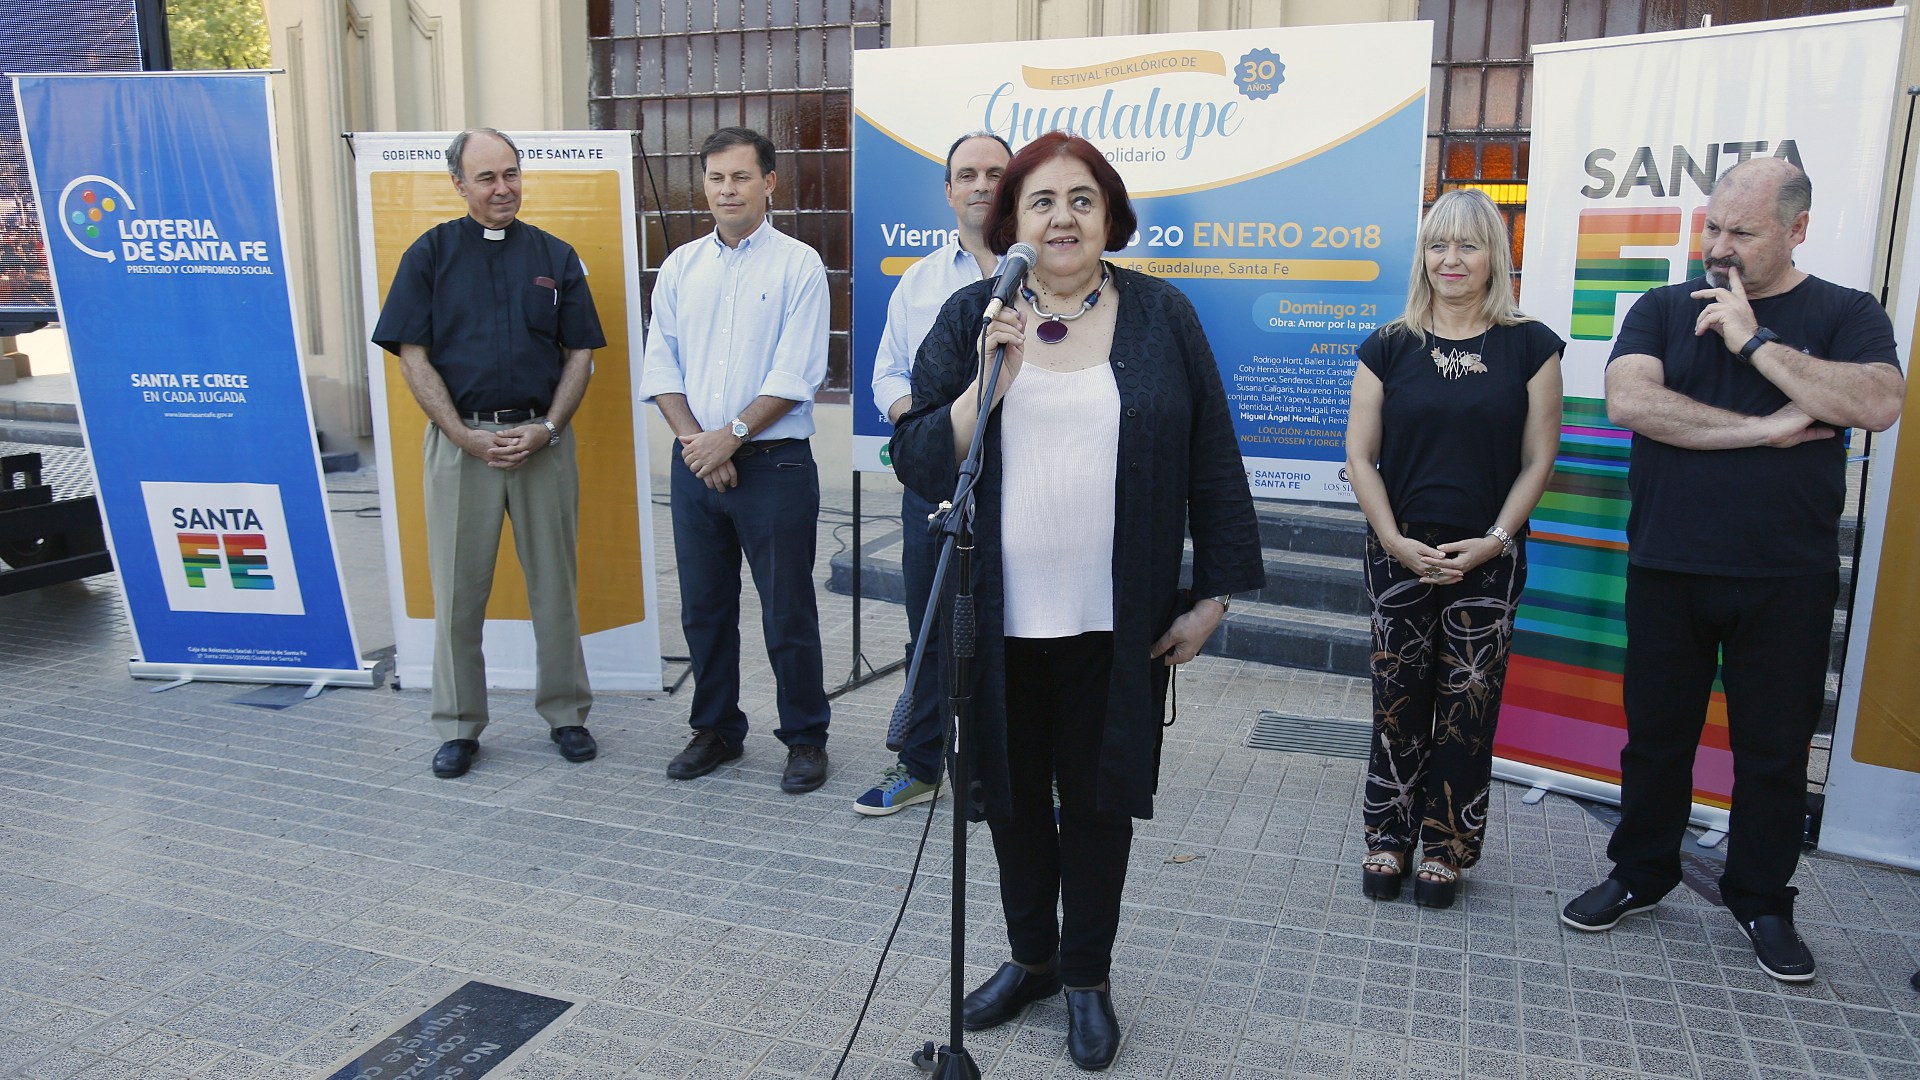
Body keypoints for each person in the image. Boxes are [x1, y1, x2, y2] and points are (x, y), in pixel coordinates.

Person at [891, 131, 1263, 1071]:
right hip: (996, 621)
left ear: (1110, 216)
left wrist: (1214, 594)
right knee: (1010, 800)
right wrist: (986, 387)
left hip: (1116, 620)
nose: (1063, 218)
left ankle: (1088, 977)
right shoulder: (974, 316)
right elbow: (920, 459)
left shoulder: (1162, 314)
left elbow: (1213, 457)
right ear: (1011, 221)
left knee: (1100, 803)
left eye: (1082, 200)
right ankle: (1033, 959)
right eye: (1043, 201)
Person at [1562, 158, 1905, 983]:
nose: (1718, 247)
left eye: (1742, 232)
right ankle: (1641, 872)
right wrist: (1767, 429)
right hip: (1669, 564)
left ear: (1797, 229)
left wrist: (1754, 341)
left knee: (1775, 752)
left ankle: (1761, 899)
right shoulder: (1663, 307)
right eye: (1712, 226)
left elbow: (1876, 403)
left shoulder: (1847, 312)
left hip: (1787, 576)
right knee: (1657, 739)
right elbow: (1630, 402)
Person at [1344, 189, 1564, 909]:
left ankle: (1445, 846)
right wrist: (1392, 540)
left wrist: (1495, 541)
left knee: (1469, 706)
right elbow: (1360, 454)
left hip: (1488, 556)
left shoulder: (1531, 346)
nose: (1451, 259)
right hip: (1398, 551)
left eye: (1468, 245)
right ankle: (1388, 836)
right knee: (1397, 703)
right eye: (1438, 245)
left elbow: (1538, 459)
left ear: (1494, 254)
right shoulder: (1388, 345)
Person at [371, 127, 603, 779]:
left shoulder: (555, 256)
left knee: (555, 587)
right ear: (458, 184)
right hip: (461, 446)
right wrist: (460, 434)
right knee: (458, 592)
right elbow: (412, 356)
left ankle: (566, 714)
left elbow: (580, 353)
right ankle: (457, 725)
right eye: (487, 177)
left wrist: (548, 428)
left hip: (542, 444)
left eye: (511, 174)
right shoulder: (430, 254)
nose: (503, 188)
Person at [638, 127, 833, 795]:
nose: (728, 189)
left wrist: (733, 436)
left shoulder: (799, 265)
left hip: (774, 468)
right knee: (705, 608)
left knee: (787, 611)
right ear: (704, 185)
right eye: (717, 178)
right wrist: (700, 444)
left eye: (741, 176)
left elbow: (797, 372)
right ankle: (716, 729)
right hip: (696, 463)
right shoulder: (680, 267)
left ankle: (805, 737)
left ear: (769, 183)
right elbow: (661, 365)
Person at [857, 131, 1012, 816]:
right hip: (936, 481)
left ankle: (1021, 769)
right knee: (927, 626)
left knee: (1018, 631)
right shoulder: (919, 280)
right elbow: (886, 373)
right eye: (967, 174)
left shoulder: (1047, 271)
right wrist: (924, 427)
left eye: (995, 173)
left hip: (1023, 483)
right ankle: (921, 765)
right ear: (949, 191)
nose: (981, 185)